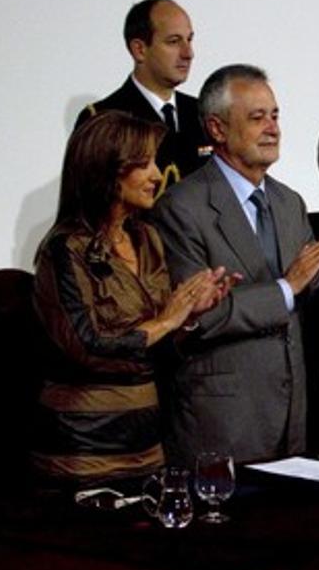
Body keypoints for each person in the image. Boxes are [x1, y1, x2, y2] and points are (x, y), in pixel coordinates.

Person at [154, 65, 319, 467]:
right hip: (222, 421)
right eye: (257, 118)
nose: (272, 128)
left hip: (291, 415)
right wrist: (286, 288)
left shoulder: (290, 203)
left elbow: (302, 310)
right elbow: (196, 318)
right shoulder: (181, 208)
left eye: (275, 116)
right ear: (217, 129)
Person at [32, 112, 229, 483]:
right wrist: (167, 320)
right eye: (144, 165)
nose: (158, 175)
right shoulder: (64, 250)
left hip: (148, 445)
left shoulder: (147, 238)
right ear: (105, 171)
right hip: (83, 453)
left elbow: (159, 348)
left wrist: (188, 316)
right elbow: (87, 345)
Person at [75, 0, 211, 193]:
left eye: (189, 39)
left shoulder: (203, 112)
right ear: (139, 49)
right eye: (174, 41)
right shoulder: (103, 117)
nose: (188, 53)